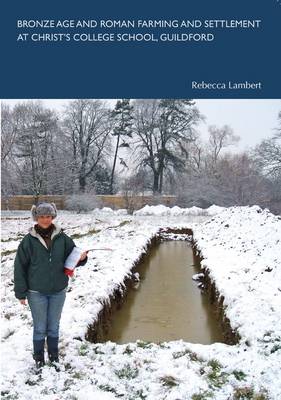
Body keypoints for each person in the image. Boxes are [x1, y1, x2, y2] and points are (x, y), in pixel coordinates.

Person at [14, 202, 88, 370]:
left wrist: (82, 258)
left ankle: (54, 356)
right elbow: (20, 267)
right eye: (41, 216)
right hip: (36, 292)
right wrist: (21, 293)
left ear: (53, 217)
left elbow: (73, 257)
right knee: (40, 327)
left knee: (54, 326)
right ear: (36, 218)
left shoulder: (63, 238)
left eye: (48, 216)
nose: (45, 220)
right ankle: (39, 357)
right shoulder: (28, 241)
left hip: (58, 291)